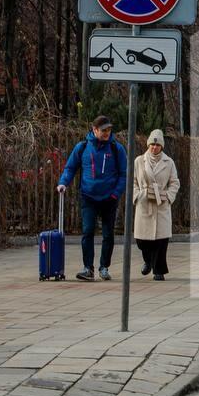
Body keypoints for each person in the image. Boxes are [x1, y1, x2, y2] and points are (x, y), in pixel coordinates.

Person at [58, 114, 127, 282]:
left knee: (108, 234)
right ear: (94, 130)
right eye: (104, 130)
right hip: (88, 196)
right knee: (87, 231)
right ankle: (88, 268)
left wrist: (115, 194)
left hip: (109, 198)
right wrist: (63, 183)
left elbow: (124, 174)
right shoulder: (82, 147)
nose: (107, 133)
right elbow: (70, 167)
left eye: (109, 130)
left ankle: (104, 267)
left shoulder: (116, 149)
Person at [133, 129, 180, 281]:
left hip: (161, 203)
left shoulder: (169, 162)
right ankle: (148, 260)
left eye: (157, 145)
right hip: (144, 202)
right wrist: (138, 195)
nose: (154, 147)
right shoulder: (139, 161)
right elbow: (133, 181)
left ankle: (158, 270)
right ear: (148, 145)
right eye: (152, 144)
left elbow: (174, 182)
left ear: (161, 146)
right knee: (142, 240)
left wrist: (168, 196)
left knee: (161, 239)